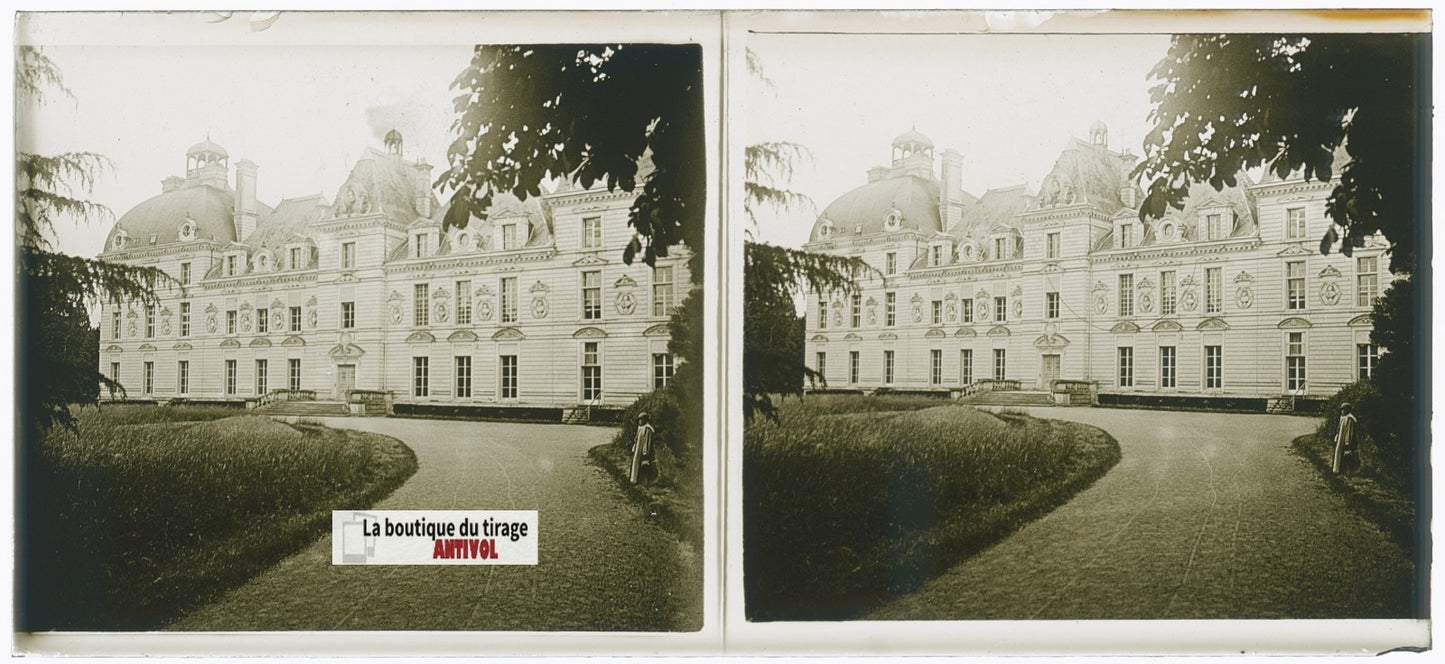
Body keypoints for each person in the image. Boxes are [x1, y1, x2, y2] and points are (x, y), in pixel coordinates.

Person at [630, 412, 656, 484]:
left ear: (645, 420)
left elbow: (647, 441)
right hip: (638, 449)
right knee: (637, 463)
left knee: (644, 465)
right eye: (639, 420)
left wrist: (645, 451)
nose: (639, 421)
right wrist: (634, 447)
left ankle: (645, 481)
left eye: (641, 420)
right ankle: (635, 479)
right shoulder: (641, 428)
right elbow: (636, 439)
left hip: (643, 450)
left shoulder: (647, 429)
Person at [1332, 402, 1359, 475]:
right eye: (1342, 410)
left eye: (1344, 410)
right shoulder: (1343, 418)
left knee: (1347, 455)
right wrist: (1337, 436)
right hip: (1341, 439)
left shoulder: (1349, 419)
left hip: (1346, 440)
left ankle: (1349, 471)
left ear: (1348, 410)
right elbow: (1339, 429)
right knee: (1341, 454)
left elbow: (1349, 431)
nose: (1342, 411)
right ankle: (1340, 470)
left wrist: (1347, 441)